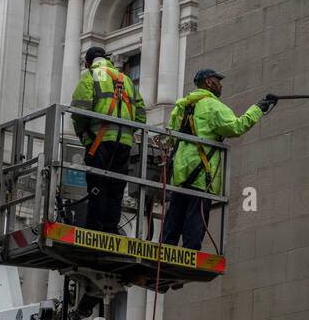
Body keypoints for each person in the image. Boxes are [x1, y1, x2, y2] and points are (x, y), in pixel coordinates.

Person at [160, 68, 275, 250]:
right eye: (217, 81)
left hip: (180, 171)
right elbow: (236, 127)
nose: (220, 85)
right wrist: (259, 108)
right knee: (195, 218)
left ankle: (165, 251)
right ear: (208, 82)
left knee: (175, 214)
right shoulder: (212, 105)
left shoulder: (181, 106)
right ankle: (190, 254)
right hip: (200, 173)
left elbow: (169, 138)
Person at [70, 46, 146, 233]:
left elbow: (79, 112)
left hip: (99, 141)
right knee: (116, 187)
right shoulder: (126, 80)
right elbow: (142, 116)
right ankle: (111, 229)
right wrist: (126, 130)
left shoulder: (90, 76)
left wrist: (84, 135)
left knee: (97, 185)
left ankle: (95, 230)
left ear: (88, 62)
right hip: (125, 144)